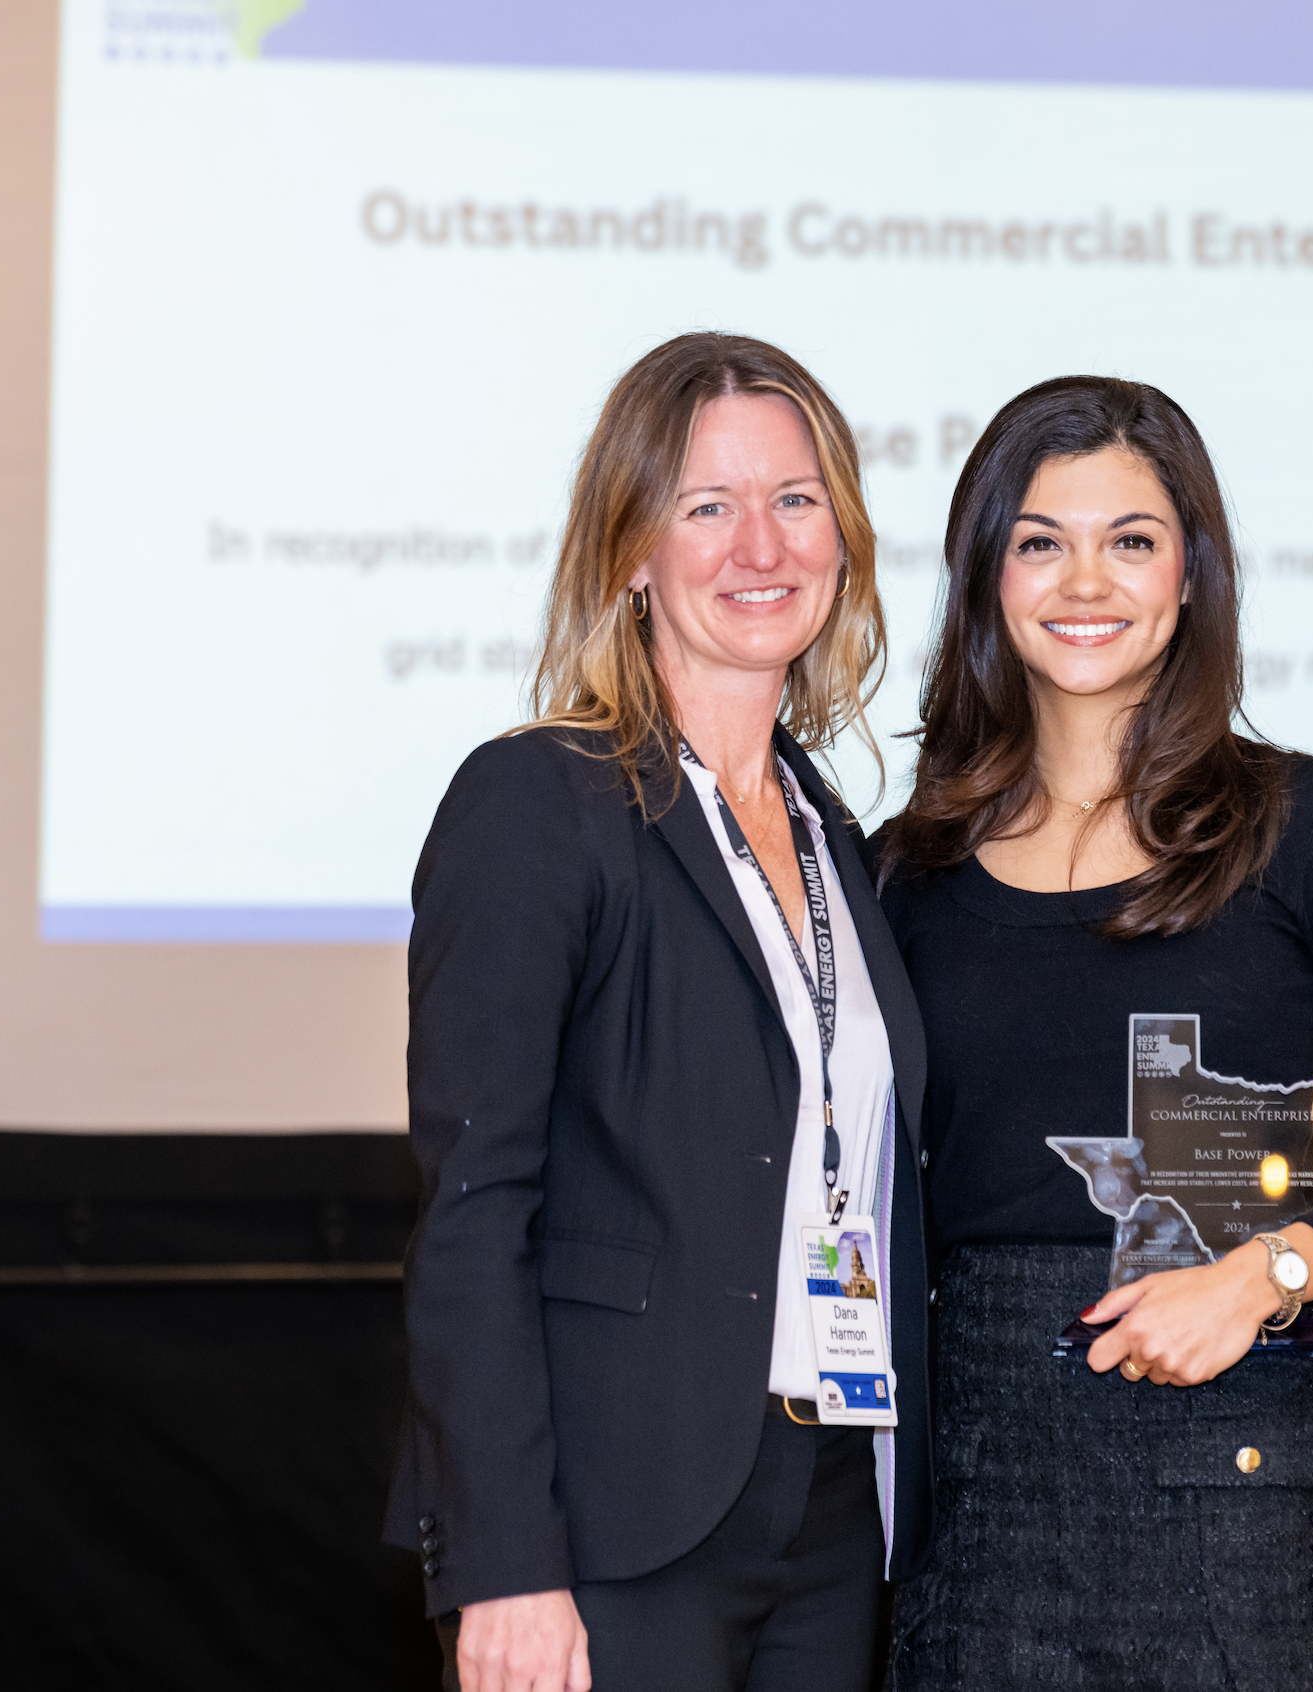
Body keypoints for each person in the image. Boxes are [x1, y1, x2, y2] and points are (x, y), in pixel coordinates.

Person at [876, 376, 1313, 1689]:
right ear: (985, 575)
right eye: (1039, 540)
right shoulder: (904, 870)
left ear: (1188, 576)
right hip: (976, 1480)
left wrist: (1264, 1274)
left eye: (1130, 540)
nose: (1084, 580)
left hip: (1230, 1453)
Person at [387, 332, 931, 1692]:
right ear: (630, 549)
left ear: (844, 537)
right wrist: (504, 1560)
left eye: (796, 501)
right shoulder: (539, 802)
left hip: (826, 1501)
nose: (761, 544)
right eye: (706, 506)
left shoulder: (835, 838)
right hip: (614, 1518)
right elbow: (475, 1205)